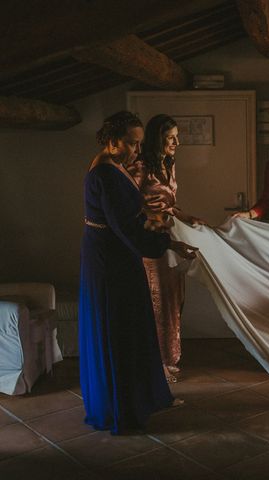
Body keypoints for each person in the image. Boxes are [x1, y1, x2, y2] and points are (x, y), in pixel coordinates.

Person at [79, 111, 197, 435]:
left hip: (116, 252)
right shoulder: (103, 173)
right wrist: (167, 243)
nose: (136, 150)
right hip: (110, 259)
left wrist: (168, 236)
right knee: (118, 328)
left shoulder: (113, 165)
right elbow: (127, 228)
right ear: (112, 140)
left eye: (139, 143)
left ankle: (134, 399)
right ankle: (121, 409)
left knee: (127, 327)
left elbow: (132, 218)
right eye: (131, 144)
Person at [128, 114, 206, 383]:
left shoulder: (168, 164)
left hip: (170, 235)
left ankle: (169, 359)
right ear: (157, 139)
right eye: (170, 137)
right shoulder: (140, 167)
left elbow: (169, 203)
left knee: (174, 300)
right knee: (156, 302)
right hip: (151, 239)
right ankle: (156, 364)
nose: (177, 142)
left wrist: (187, 217)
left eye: (176, 136)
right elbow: (132, 206)